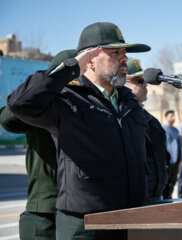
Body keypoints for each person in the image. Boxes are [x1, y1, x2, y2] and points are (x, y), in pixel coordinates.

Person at [7, 22, 150, 240]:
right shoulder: (68, 99)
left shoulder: (128, 103)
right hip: (87, 227)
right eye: (115, 52)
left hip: (132, 221)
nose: (125, 59)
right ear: (90, 59)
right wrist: (70, 67)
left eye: (124, 52)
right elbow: (20, 104)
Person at [0, 49, 77, 240]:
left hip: (78, 207)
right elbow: (7, 118)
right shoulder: (39, 108)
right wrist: (46, 90)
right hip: (45, 209)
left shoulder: (83, 107)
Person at [125, 58, 167, 201]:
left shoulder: (151, 120)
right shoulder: (121, 117)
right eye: (138, 80)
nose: (145, 84)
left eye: (145, 80)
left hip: (156, 194)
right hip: (136, 197)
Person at [162, 110, 182, 199]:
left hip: (176, 160)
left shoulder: (176, 130)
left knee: (173, 181)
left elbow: (179, 145)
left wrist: (181, 159)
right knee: (166, 182)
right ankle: (165, 198)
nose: (173, 118)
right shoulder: (163, 129)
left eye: (174, 116)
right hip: (168, 162)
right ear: (166, 117)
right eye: (171, 116)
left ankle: (170, 197)